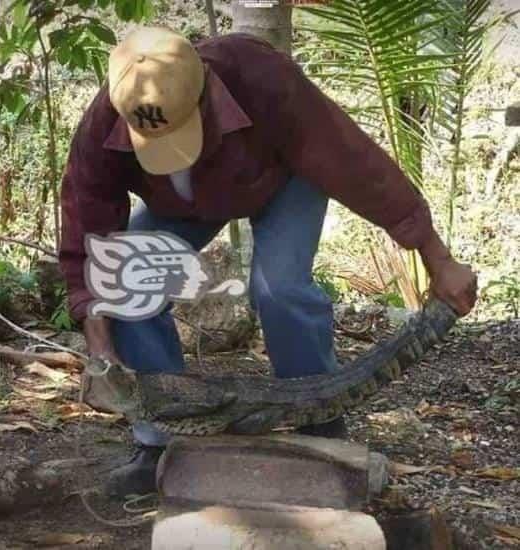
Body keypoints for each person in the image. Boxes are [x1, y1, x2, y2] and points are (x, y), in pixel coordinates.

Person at [58, 26, 478, 497]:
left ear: (206, 93)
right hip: (184, 204)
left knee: (280, 288)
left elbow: (359, 167)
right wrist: (100, 348)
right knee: (124, 284)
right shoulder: (106, 121)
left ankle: (318, 423)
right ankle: (160, 443)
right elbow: (88, 235)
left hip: (283, 182)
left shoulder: (261, 77)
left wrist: (438, 259)